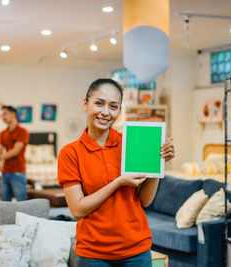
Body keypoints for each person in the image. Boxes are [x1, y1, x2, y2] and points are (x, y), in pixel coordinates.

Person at [57, 78, 175, 267]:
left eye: (113, 106)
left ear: (119, 110)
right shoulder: (70, 153)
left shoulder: (131, 143)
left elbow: (144, 201)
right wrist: (118, 182)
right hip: (92, 254)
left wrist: (157, 164)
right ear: (85, 104)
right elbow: (78, 210)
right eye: (99, 103)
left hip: (136, 250)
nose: (105, 112)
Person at [0, 105, 29, 201]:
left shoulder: (23, 132)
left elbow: (15, 151)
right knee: (4, 203)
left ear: (13, 114)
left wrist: (1, 156)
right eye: (1, 115)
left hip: (17, 171)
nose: (3, 117)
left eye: (5, 114)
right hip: (4, 172)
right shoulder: (2, 133)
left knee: (21, 202)